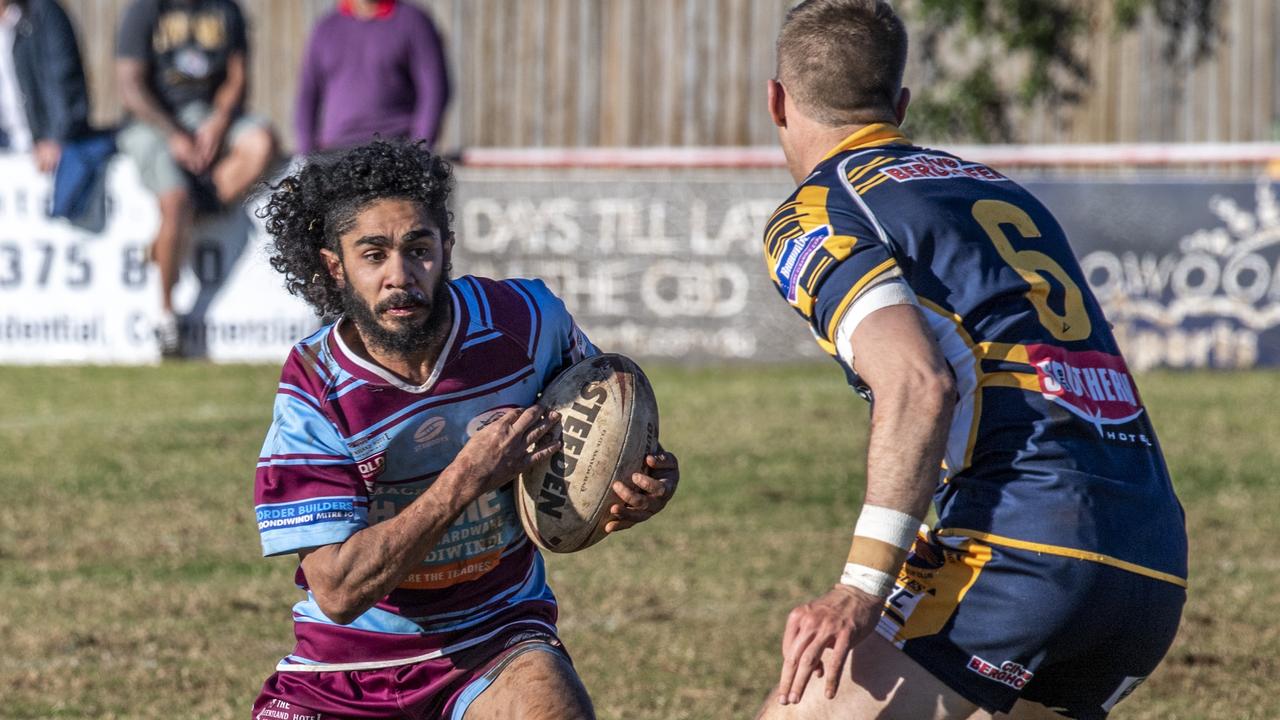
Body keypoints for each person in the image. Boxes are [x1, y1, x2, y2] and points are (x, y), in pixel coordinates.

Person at [755, 2, 1187, 718]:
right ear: (899, 104)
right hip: (1150, 558)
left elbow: (919, 384)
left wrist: (860, 587)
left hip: (1018, 549)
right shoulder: (998, 189)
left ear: (775, 99)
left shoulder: (822, 210)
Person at [251, 139, 679, 720]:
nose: (400, 276)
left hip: (497, 638)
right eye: (373, 255)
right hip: (345, 669)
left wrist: (642, 480)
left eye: (418, 249)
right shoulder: (315, 388)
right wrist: (468, 476)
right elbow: (337, 589)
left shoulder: (526, 323)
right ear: (335, 266)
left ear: (446, 249)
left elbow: (605, 427)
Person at [115, 0, 277, 355]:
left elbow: (237, 76)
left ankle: (174, 232)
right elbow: (130, 86)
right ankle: (166, 316)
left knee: (261, 142)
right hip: (152, 123)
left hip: (209, 118)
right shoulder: (145, 9)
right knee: (174, 200)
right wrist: (173, 132)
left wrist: (219, 120)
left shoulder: (225, 9)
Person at [294, 0, 450, 154]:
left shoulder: (413, 21)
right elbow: (308, 94)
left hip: (393, 148)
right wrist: (308, 153)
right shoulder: (326, 28)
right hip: (335, 149)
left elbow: (434, 89)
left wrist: (419, 148)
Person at [0, 0, 89, 172]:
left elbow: (65, 80)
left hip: (46, 150)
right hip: (7, 146)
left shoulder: (41, 13)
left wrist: (56, 138)